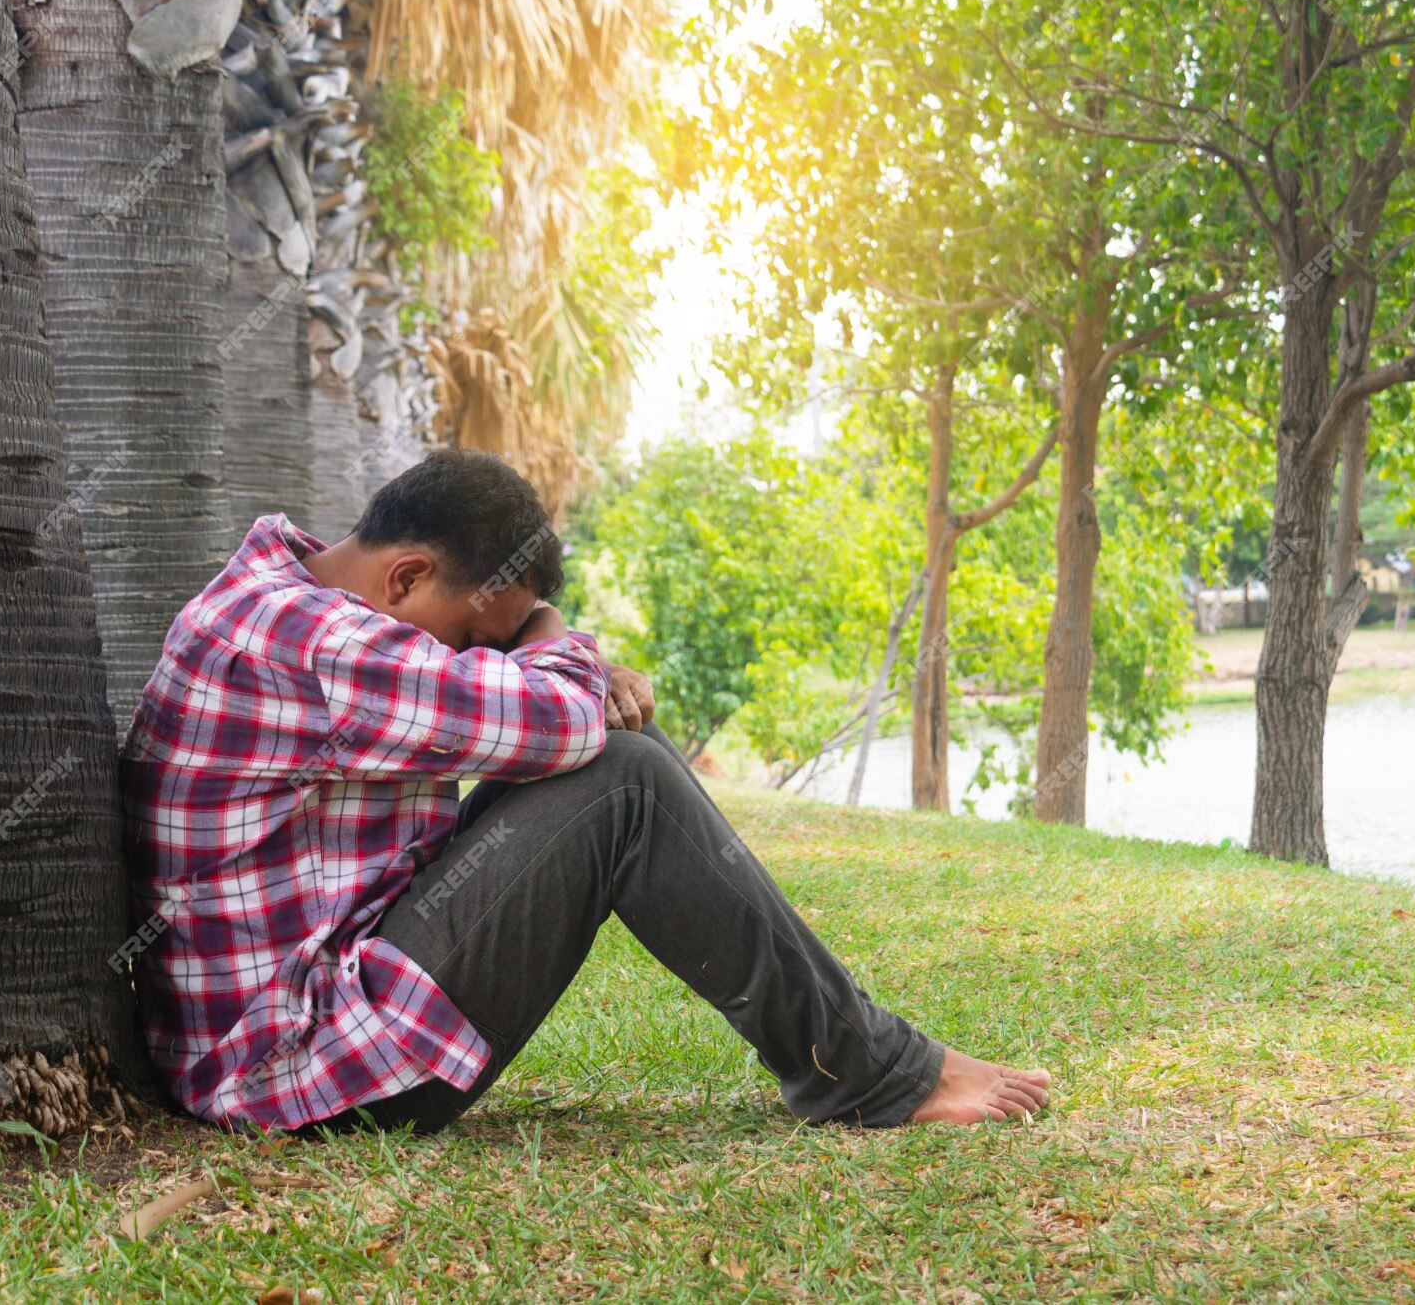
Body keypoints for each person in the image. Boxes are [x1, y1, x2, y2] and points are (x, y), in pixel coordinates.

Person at [119, 450, 1050, 1135]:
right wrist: (562, 637)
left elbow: (549, 719)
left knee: (618, 771)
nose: (478, 661)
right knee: (626, 782)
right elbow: (564, 722)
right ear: (406, 577)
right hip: (303, 1077)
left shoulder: (288, 599)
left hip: (305, 1021)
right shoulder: (312, 640)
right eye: (478, 639)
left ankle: (860, 1058)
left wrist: (535, 645)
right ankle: (869, 1071)